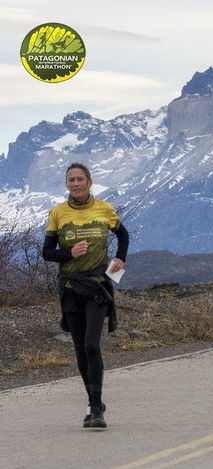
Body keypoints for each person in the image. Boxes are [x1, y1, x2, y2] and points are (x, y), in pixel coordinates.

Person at [42, 162, 129, 429]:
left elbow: (123, 235)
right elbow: (47, 253)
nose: (76, 184)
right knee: (81, 350)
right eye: (71, 180)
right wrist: (69, 253)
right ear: (67, 184)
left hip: (97, 287)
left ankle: (97, 409)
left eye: (80, 179)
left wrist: (120, 258)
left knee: (92, 345)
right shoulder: (57, 213)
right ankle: (93, 402)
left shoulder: (105, 209)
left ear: (89, 182)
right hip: (70, 289)